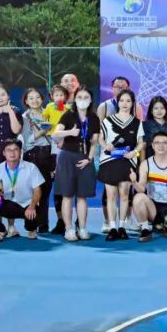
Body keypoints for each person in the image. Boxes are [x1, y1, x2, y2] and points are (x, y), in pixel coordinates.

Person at [50, 87, 100, 242]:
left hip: (84, 159)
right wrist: (69, 133)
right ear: (75, 98)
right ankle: (69, 229)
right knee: (67, 196)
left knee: (82, 196)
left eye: (86, 97)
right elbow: (55, 134)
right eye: (80, 97)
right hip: (67, 157)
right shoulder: (68, 115)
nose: (83, 100)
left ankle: (82, 228)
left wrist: (89, 159)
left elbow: (94, 142)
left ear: (90, 100)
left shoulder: (94, 118)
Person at [97, 89, 145, 239]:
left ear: (132, 103)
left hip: (127, 161)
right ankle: (112, 227)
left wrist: (134, 153)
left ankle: (122, 227)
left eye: (128, 101)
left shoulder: (137, 123)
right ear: (117, 102)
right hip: (109, 160)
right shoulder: (107, 120)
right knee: (111, 195)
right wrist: (105, 146)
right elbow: (100, 138)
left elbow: (141, 143)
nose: (125, 103)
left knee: (124, 194)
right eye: (122, 100)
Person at [0, 139, 45, 241]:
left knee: (37, 214)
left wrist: (32, 206)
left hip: (26, 205)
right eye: (9, 150)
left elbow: (37, 190)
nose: (12, 153)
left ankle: (31, 229)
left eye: (15, 149)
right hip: (7, 204)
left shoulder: (31, 167)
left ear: (20, 152)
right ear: (4, 153)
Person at [131, 132, 167, 242]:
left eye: (164, 143)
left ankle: (162, 225)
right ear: (152, 145)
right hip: (153, 206)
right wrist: (134, 182)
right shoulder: (146, 164)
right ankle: (145, 228)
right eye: (157, 143)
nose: (161, 146)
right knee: (138, 197)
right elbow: (141, 189)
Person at [20, 88, 56, 233]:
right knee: (35, 191)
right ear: (26, 101)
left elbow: (55, 136)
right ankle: (32, 223)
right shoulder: (25, 117)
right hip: (34, 155)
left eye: (37, 97)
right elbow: (26, 141)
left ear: (42, 99)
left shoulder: (49, 113)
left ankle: (43, 223)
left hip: (50, 154)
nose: (35, 100)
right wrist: (42, 132)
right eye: (31, 98)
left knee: (46, 191)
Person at [44, 83, 71, 235]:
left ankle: (71, 222)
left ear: (65, 97)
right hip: (50, 142)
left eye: (61, 95)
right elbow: (43, 120)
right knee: (55, 186)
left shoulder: (68, 109)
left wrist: (64, 139)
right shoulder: (49, 107)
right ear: (51, 97)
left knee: (65, 187)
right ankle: (59, 221)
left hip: (64, 144)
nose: (59, 98)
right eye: (56, 95)